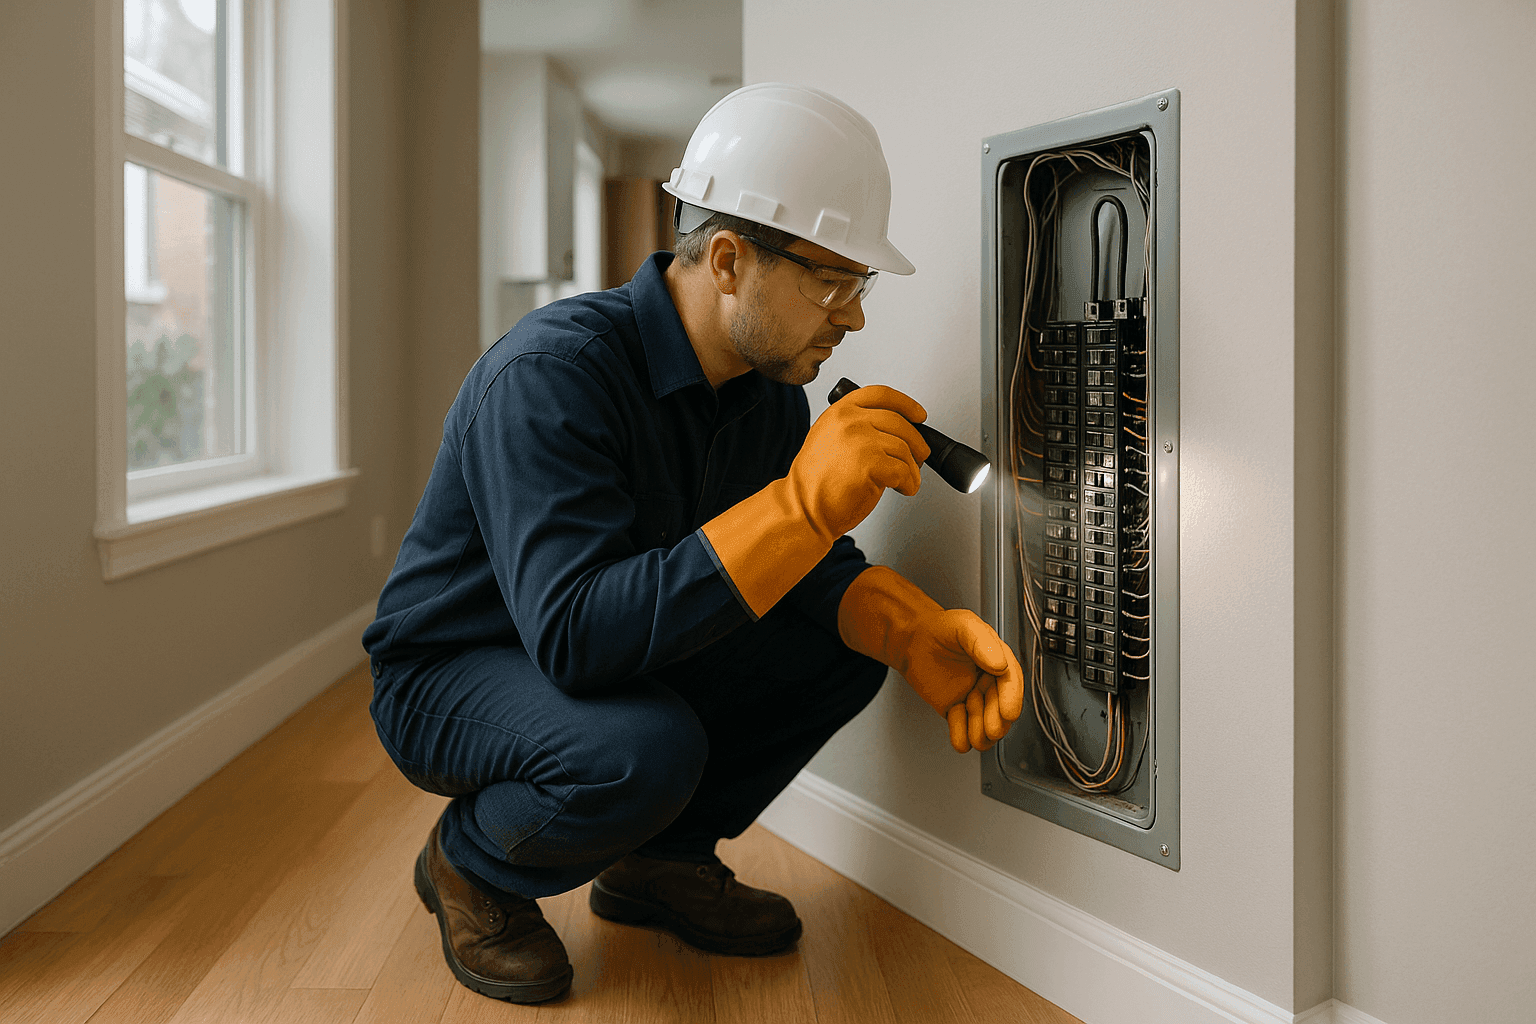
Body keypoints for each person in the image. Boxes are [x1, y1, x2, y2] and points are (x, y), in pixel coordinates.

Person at [363, 82, 1024, 1005]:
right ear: (726, 260)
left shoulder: (765, 395)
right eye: (831, 280)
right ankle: (473, 862)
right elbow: (576, 636)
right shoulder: (553, 375)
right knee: (641, 747)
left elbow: (803, 575)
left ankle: (657, 863)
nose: (854, 315)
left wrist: (909, 630)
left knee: (837, 651)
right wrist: (800, 503)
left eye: (857, 282)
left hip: (588, 660)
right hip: (454, 671)